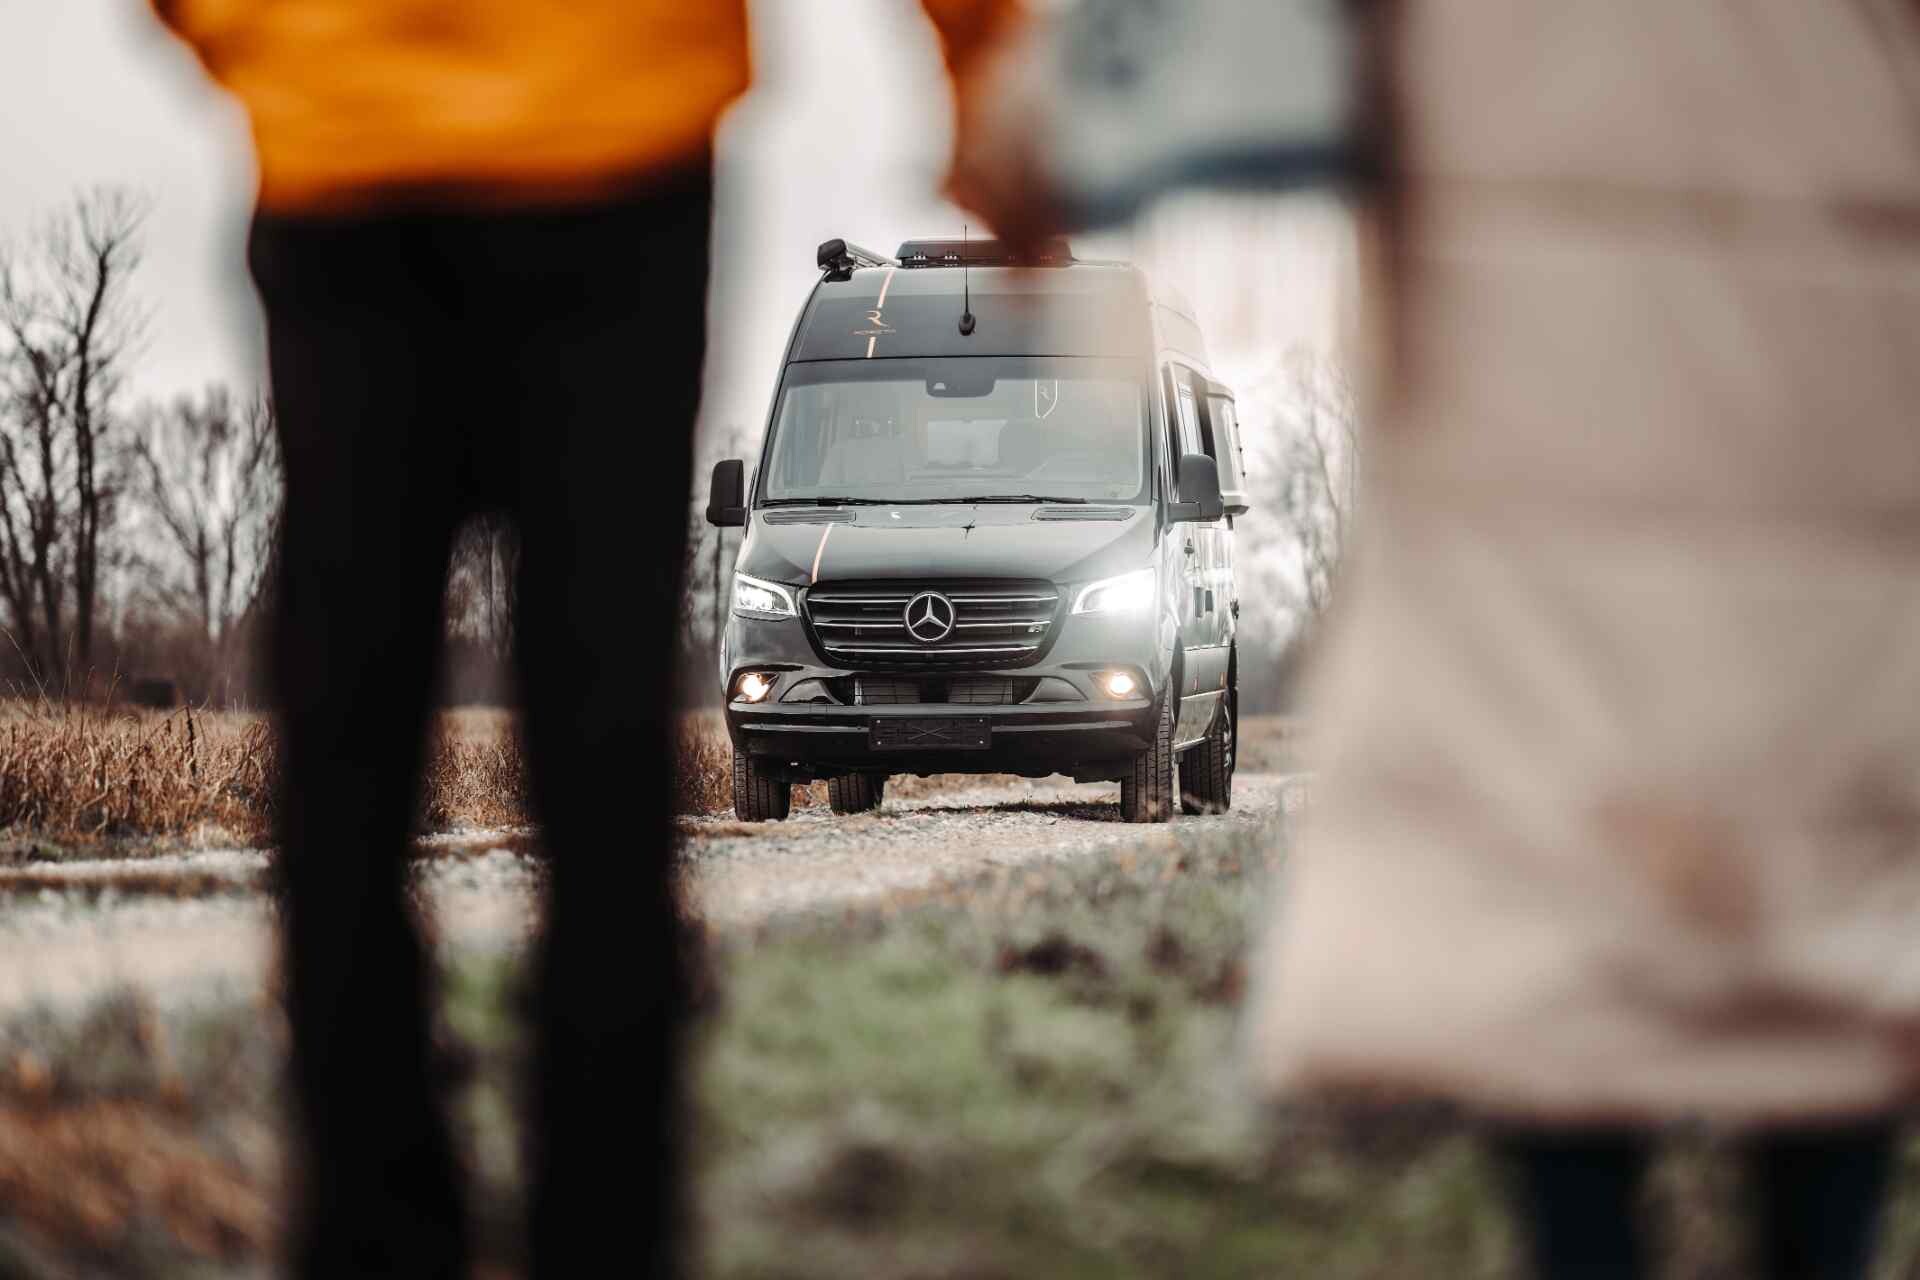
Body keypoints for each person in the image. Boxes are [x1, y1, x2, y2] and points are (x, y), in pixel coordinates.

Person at [143, 1, 1024, 1274]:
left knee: (345, 734)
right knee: (600, 749)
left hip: (361, 139)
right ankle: (607, 1230)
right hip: (610, 137)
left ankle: (372, 1228)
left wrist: (265, 39)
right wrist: (986, 68)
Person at [1236, 2, 1920, 1276]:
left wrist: (1021, 130)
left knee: (1550, 890)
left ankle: (1585, 1242)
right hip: (1844, 416)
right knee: (1836, 884)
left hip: (1527, 417)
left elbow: (1194, 52)